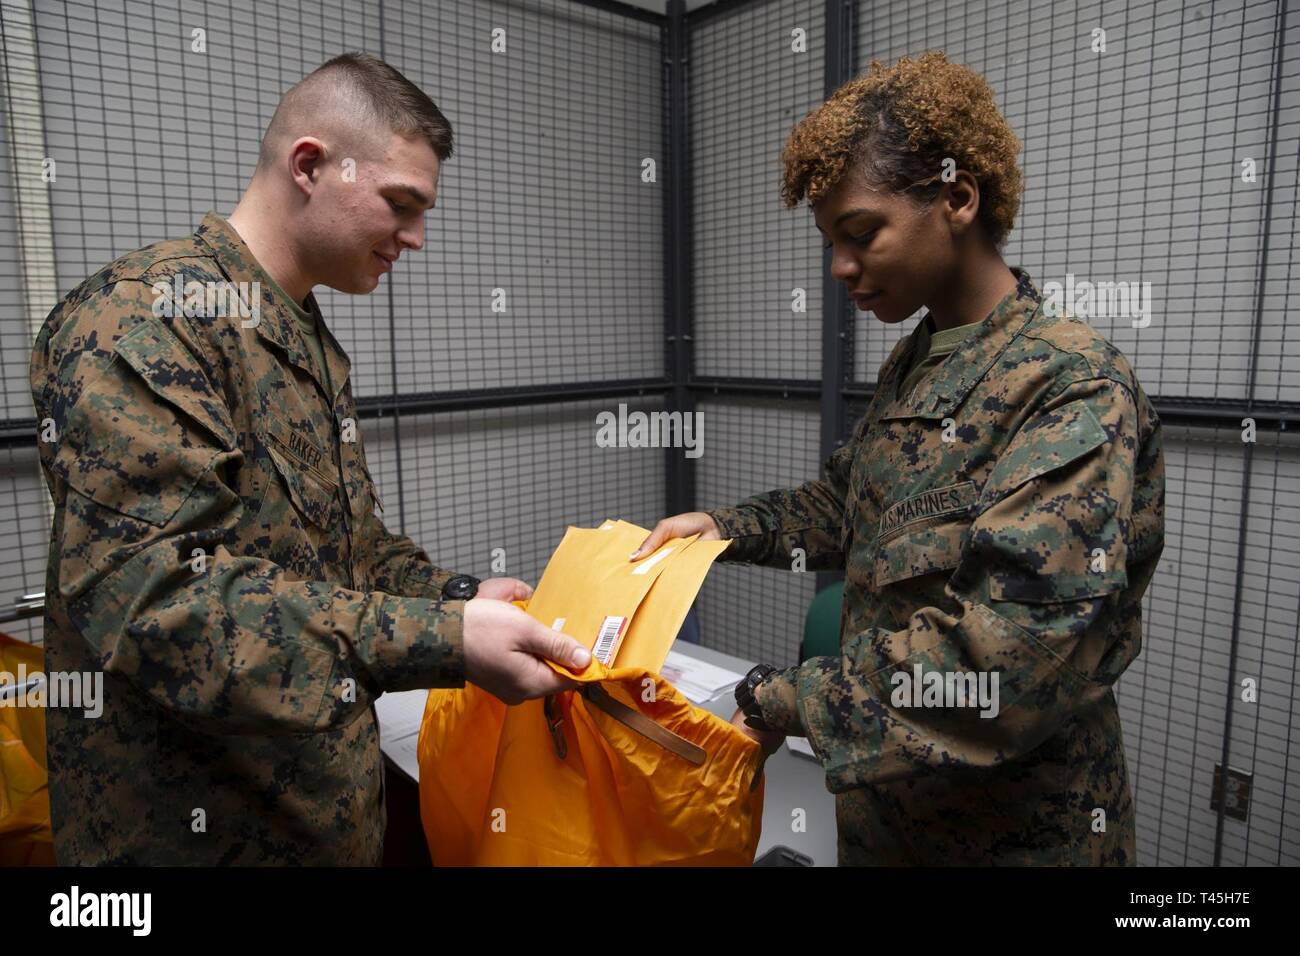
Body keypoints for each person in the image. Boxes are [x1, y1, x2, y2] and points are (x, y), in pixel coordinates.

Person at [29, 52, 589, 865]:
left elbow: (345, 554)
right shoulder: (142, 320)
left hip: (318, 822)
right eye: (401, 205)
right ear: (310, 166)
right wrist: (448, 637)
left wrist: (461, 598)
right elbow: (163, 606)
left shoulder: (299, 337)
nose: (417, 239)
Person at [633, 51, 1165, 865]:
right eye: (830, 242)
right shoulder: (919, 358)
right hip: (888, 823)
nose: (840, 267)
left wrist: (773, 699)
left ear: (957, 198)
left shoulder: (1070, 385)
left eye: (861, 233)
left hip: (1012, 838)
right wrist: (718, 529)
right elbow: (851, 507)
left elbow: (1004, 662)